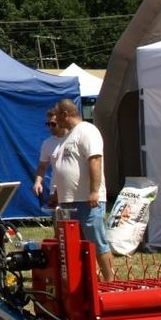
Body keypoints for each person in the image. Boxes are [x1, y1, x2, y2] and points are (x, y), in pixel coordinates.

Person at [51, 98, 114, 282]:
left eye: (57, 115)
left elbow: (95, 159)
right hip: (69, 201)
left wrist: (94, 191)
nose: (55, 120)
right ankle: (89, 281)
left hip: (86, 200)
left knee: (96, 241)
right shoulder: (68, 136)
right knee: (75, 245)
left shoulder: (87, 130)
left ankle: (110, 280)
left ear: (65, 114)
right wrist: (57, 193)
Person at [32, 107, 66, 204]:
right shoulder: (47, 143)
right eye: (48, 124)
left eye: (53, 124)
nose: (50, 127)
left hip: (74, 193)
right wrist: (38, 182)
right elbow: (42, 167)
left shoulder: (73, 138)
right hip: (55, 193)